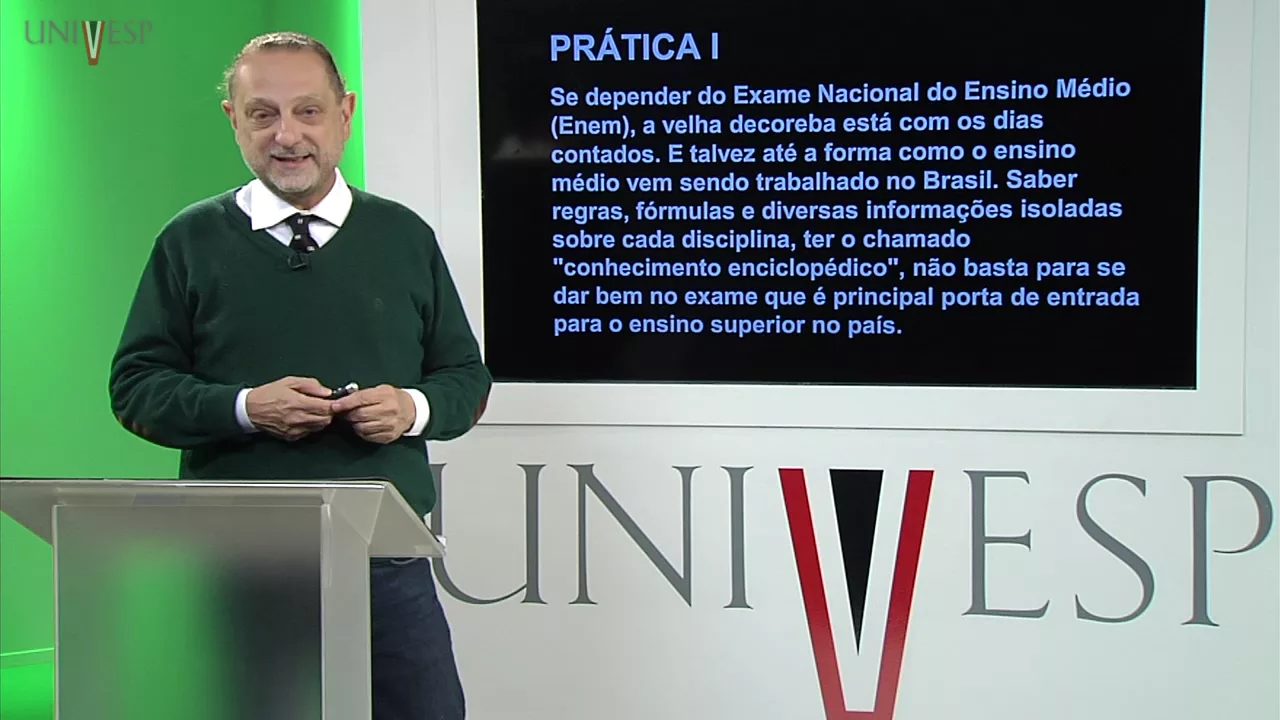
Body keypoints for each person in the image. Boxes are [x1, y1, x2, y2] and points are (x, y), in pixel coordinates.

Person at [108, 31, 489, 720]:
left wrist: (411, 408)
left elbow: (465, 378)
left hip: (384, 556)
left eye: (308, 111)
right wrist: (246, 408)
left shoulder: (404, 237)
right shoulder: (189, 241)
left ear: (346, 113)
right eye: (264, 114)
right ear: (233, 120)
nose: (287, 135)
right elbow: (136, 387)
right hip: (242, 558)